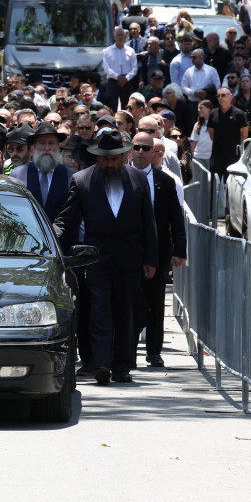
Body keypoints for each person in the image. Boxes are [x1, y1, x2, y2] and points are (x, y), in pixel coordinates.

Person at [53, 130, 157, 385]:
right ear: (98, 158)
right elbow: (67, 220)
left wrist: (151, 259)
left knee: (125, 311)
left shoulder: (138, 179)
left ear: (123, 156)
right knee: (100, 309)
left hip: (130, 256)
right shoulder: (82, 180)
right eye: (105, 159)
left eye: (114, 159)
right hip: (96, 256)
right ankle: (101, 364)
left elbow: (148, 222)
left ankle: (122, 366)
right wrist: (49, 237)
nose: (110, 164)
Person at [127, 130, 186, 368]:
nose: (140, 152)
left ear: (155, 153)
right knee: (130, 303)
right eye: (136, 147)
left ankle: (153, 351)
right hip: (129, 252)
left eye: (145, 148)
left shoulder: (166, 181)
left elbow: (176, 217)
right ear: (130, 150)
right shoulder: (120, 177)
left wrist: (180, 250)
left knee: (155, 303)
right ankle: (127, 351)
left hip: (159, 252)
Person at [206, 88, 248, 180]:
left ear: (230, 96)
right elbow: (211, 134)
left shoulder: (239, 114)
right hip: (217, 155)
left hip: (233, 156)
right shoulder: (213, 113)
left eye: (223, 95)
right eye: (218, 96)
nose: (220, 97)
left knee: (231, 183)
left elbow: (244, 135)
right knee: (214, 184)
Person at [101, 27, 137, 111]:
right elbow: (106, 68)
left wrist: (126, 78)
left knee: (126, 106)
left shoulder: (131, 51)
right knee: (112, 105)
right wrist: (118, 77)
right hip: (113, 81)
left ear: (125, 37)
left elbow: (134, 68)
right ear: (114, 37)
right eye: (118, 35)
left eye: (122, 35)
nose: (120, 37)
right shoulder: (107, 51)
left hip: (127, 81)